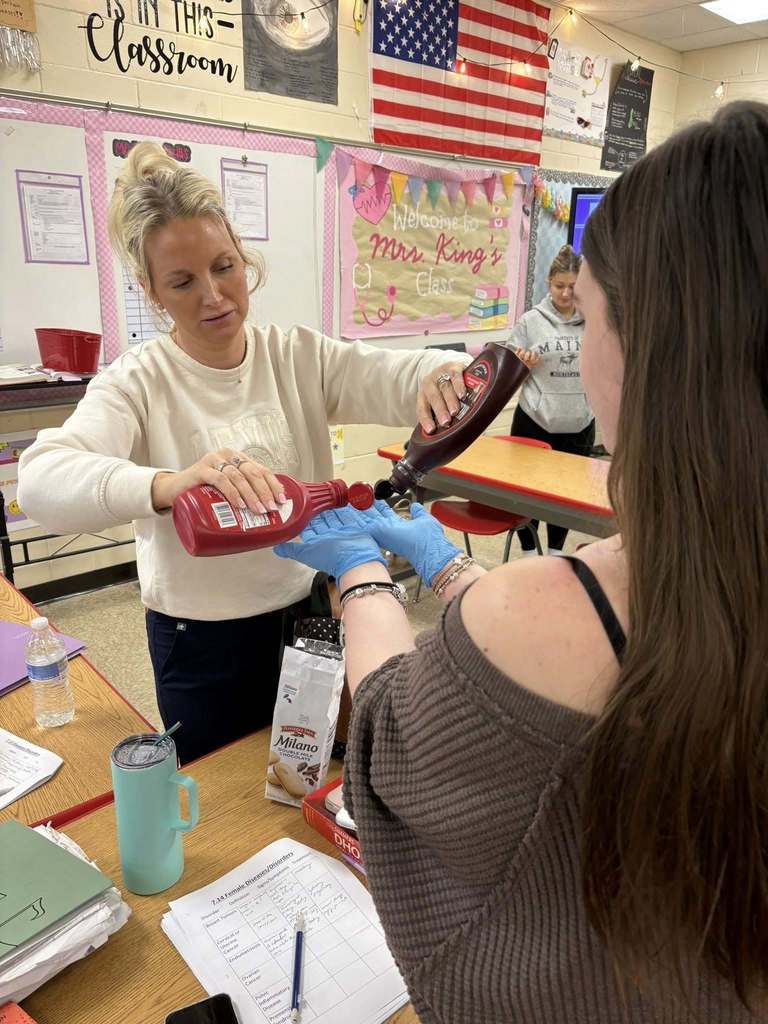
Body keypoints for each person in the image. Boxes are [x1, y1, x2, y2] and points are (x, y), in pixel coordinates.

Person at [275, 101, 768, 1021]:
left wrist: (363, 577)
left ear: (647, 344)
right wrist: (458, 572)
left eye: (597, 317)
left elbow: (387, 751)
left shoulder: (542, 612)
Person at [16, 142, 470, 765]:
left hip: (307, 611)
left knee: (307, 775)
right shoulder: (138, 381)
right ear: (152, 291)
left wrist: (448, 372)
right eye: (182, 281)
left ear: (242, 256)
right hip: (199, 642)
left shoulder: (294, 356)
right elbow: (40, 480)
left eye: (224, 267)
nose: (213, 296)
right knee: (223, 794)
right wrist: (166, 485)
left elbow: (396, 374)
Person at [509, 243, 595, 554]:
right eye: (560, 286)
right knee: (527, 491)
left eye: (573, 287)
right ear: (549, 283)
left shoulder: (594, 320)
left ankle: (557, 551)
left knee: (565, 494)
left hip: (579, 424)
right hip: (535, 421)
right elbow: (507, 373)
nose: (566, 294)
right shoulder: (530, 322)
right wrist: (521, 366)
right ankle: (530, 551)